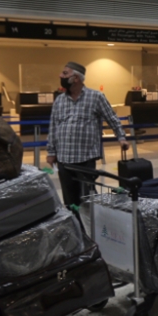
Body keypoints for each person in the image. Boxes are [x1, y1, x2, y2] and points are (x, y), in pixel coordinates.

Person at [47, 62, 128, 208]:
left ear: (76, 78)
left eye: (65, 73)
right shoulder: (59, 100)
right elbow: (53, 127)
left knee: (87, 198)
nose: (60, 76)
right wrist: (51, 152)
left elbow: (112, 118)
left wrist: (121, 138)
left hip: (86, 158)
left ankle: (90, 221)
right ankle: (74, 221)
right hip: (64, 159)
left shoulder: (96, 97)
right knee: (69, 199)